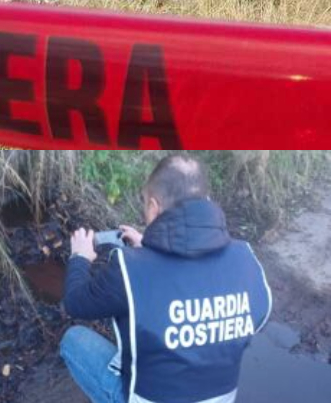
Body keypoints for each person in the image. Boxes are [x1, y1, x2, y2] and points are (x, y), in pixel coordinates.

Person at [60, 154, 272, 404]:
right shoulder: (245, 257)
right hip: (222, 399)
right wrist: (149, 247)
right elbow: (256, 318)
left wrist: (80, 257)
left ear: (153, 206)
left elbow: (75, 302)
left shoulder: (129, 268)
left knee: (74, 340)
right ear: (205, 198)